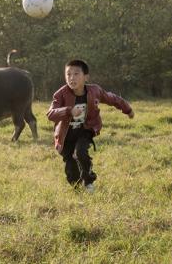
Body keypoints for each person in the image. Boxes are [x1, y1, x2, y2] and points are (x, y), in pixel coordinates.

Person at [46, 60, 134, 193]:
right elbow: (51, 114)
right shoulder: (60, 94)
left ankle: (88, 181)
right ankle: (77, 188)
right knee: (71, 169)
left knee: (81, 152)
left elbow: (112, 98)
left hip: (85, 130)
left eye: (76, 74)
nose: (72, 78)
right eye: (68, 74)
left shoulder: (95, 91)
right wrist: (68, 110)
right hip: (66, 135)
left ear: (86, 77)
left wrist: (127, 109)